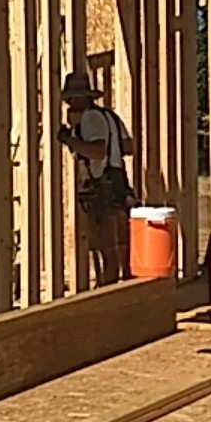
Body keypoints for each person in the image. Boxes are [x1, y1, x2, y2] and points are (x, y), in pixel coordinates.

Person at [57, 71, 136, 285]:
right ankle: (127, 295)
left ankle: (107, 296)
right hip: (118, 184)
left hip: (100, 189)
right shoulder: (109, 116)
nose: (69, 105)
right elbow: (128, 147)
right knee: (122, 248)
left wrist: (68, 139)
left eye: (71, 100)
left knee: (107, 252)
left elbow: (98, 151)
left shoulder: (89, 118)